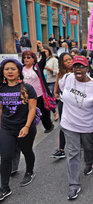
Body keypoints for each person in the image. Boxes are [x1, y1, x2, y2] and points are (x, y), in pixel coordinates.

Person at [59, 56, 93, 200]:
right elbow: (60, 91)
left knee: (88, 147)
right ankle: (74, 185)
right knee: (73, 153)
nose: (78, 69)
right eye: (75, 66)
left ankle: (90, 162)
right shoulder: (67, 78)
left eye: (81, 66)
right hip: (69, 123)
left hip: (87, 124)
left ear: (87, 68)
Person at [0, 58, 37, 201]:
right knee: (6, 156)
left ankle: (30, 171)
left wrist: (27, 126)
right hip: (6, 128)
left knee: (27, 151)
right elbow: (1, 109)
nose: (10, 71)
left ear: (18, 71)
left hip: (25, 127)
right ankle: (4, 187)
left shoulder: (27, 88)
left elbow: (32, 108)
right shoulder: (1, 89)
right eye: (6, 69)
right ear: (3, 72)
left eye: (13, 69)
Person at [22, 51, 54, 133]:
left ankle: (49, 126)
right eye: (24, 58)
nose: (26, 59)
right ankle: (28, 128)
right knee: (28, 113)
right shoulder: (21, 68)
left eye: (28, 57)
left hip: (39, 95)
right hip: (27, 96)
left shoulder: (37, 67)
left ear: (33, 59)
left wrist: (40, 48)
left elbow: (43, 58)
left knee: (43, 112)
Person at [50, 53, 73, 159]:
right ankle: (61, 150)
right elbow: (57, 82)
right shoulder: (61, 73)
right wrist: (55, 92)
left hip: (74, 103)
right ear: (62, 63)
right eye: (66, 60)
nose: (69, 61)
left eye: (70, 59)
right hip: (63, 102)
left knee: (75, 123)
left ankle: (79, 144)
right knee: (63, 125)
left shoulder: (77, 71)